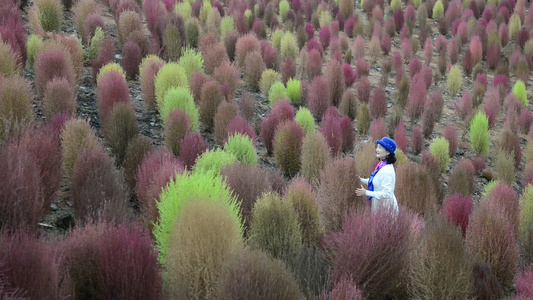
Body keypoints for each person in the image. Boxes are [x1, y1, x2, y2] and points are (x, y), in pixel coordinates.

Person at [356, 137, 399, 212]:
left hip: (387, 210)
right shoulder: (381, 165)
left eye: (380, 148)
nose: (377, 150)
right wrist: (359, 179)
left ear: (388, 152)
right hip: (379, 207)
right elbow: (375, 181)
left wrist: (366, 192)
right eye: (377, 147)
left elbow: (386, 194)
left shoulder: (387, 171)